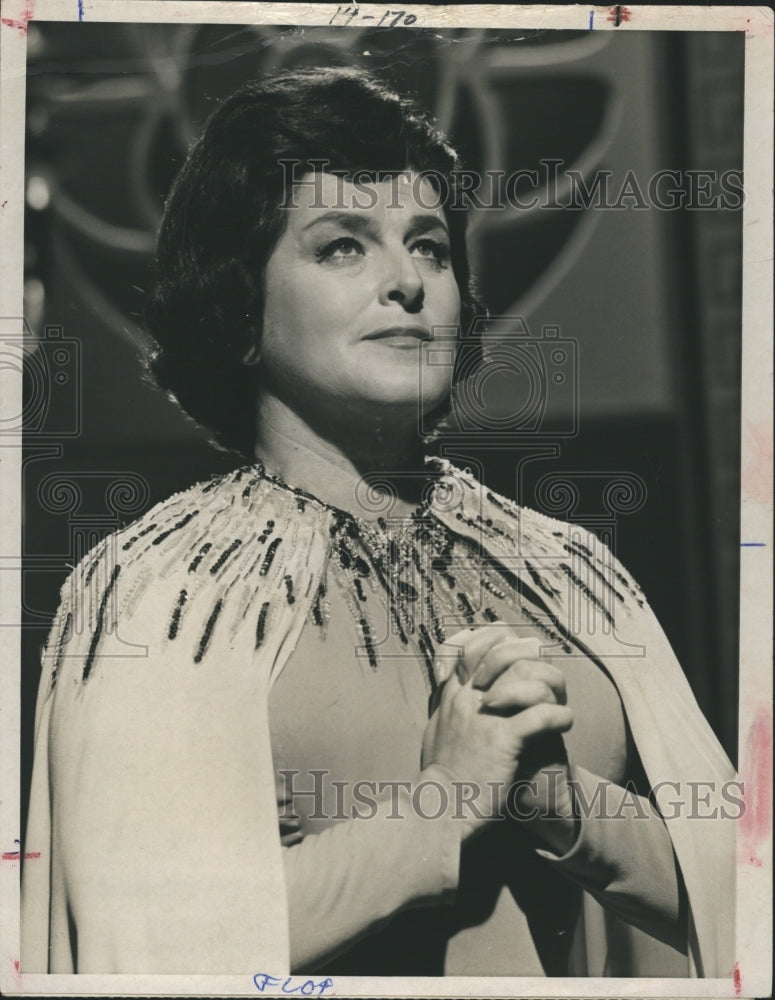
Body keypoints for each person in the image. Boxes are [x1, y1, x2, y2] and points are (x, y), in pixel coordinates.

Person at [22, 67, 736, 978]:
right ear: (242, 308)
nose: (408, 282)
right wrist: (439, 804)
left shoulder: (565, 563)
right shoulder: (163, 590)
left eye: (430, 247)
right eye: (341, 247)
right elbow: (151, 947)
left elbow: (736, 903)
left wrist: (559, 801)